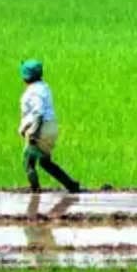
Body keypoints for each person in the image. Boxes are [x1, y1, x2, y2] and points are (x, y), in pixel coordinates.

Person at [18, 59, 80, 193]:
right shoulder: (44, 87)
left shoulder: (32, 92)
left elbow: (38, 112)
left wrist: (33, 132)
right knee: (45, 162)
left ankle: (35, 190)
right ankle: (71, 185)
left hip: (40, 128)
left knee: (28, 160)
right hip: (51, 127)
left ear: (25, 76)